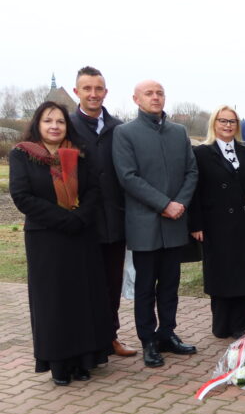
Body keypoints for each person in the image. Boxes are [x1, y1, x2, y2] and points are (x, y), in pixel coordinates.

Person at [9, 101, 113, 385]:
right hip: (46, 239)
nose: (54, 126)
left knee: (83, 299)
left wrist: (78, 218)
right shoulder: (22, 154)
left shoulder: (79, 153)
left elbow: (94, 190)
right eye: (48, 121)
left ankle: (84, 361)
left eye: (60, 121)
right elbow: (22, 196)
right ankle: (59, 364)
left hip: (81, 235)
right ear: (37, 124)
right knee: (54, 302)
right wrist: (63, 219)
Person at [112, 80, 198, 368]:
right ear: (136, 99)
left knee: (170, 285)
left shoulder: (179, 132)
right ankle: (148, 339)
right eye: (149, 93)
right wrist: (164, 204)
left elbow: (191, 171)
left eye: (160, 93)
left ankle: (167, 333)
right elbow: (128, 177)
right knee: (146, 287)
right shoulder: (125, 133)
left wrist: (180, 203)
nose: (155, 97)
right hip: (145, 225)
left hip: (174, 223)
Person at [69, 66, 137, 358]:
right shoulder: (67, 126)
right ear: (77, 92)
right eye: (87, 88)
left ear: (106, 92)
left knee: (111, 284)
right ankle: (87, 341)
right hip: (83, 222)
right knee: (84, 285)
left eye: (98, 88)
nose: (93, 94)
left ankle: (110, 336)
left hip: (115, 221)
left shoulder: (118, 128)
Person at [190, 106, 245, 339]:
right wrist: (196, 224)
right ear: (214, 123)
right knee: (221, 274)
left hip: (244, 223)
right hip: (216, 224)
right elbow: (195, 190)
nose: (228, 125)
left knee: (243, 273)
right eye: (223, 121)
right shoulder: (202, 153)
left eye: (232, 121)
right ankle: (222, 324)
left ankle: (242, 323)